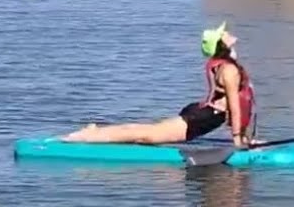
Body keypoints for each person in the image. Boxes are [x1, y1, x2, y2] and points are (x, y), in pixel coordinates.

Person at [60, 21, 257, 147]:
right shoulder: (229, 71)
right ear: (221, 45)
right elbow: (234, 107)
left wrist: (246, 138)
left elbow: (240, 106)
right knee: (146, 135)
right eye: (223, 34)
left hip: (204, 114)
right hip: (203, 118)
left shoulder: (228, 67)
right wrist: (238, 140)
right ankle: (87, 136)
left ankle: (96, 131)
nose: (227, 33)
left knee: (146, 131)